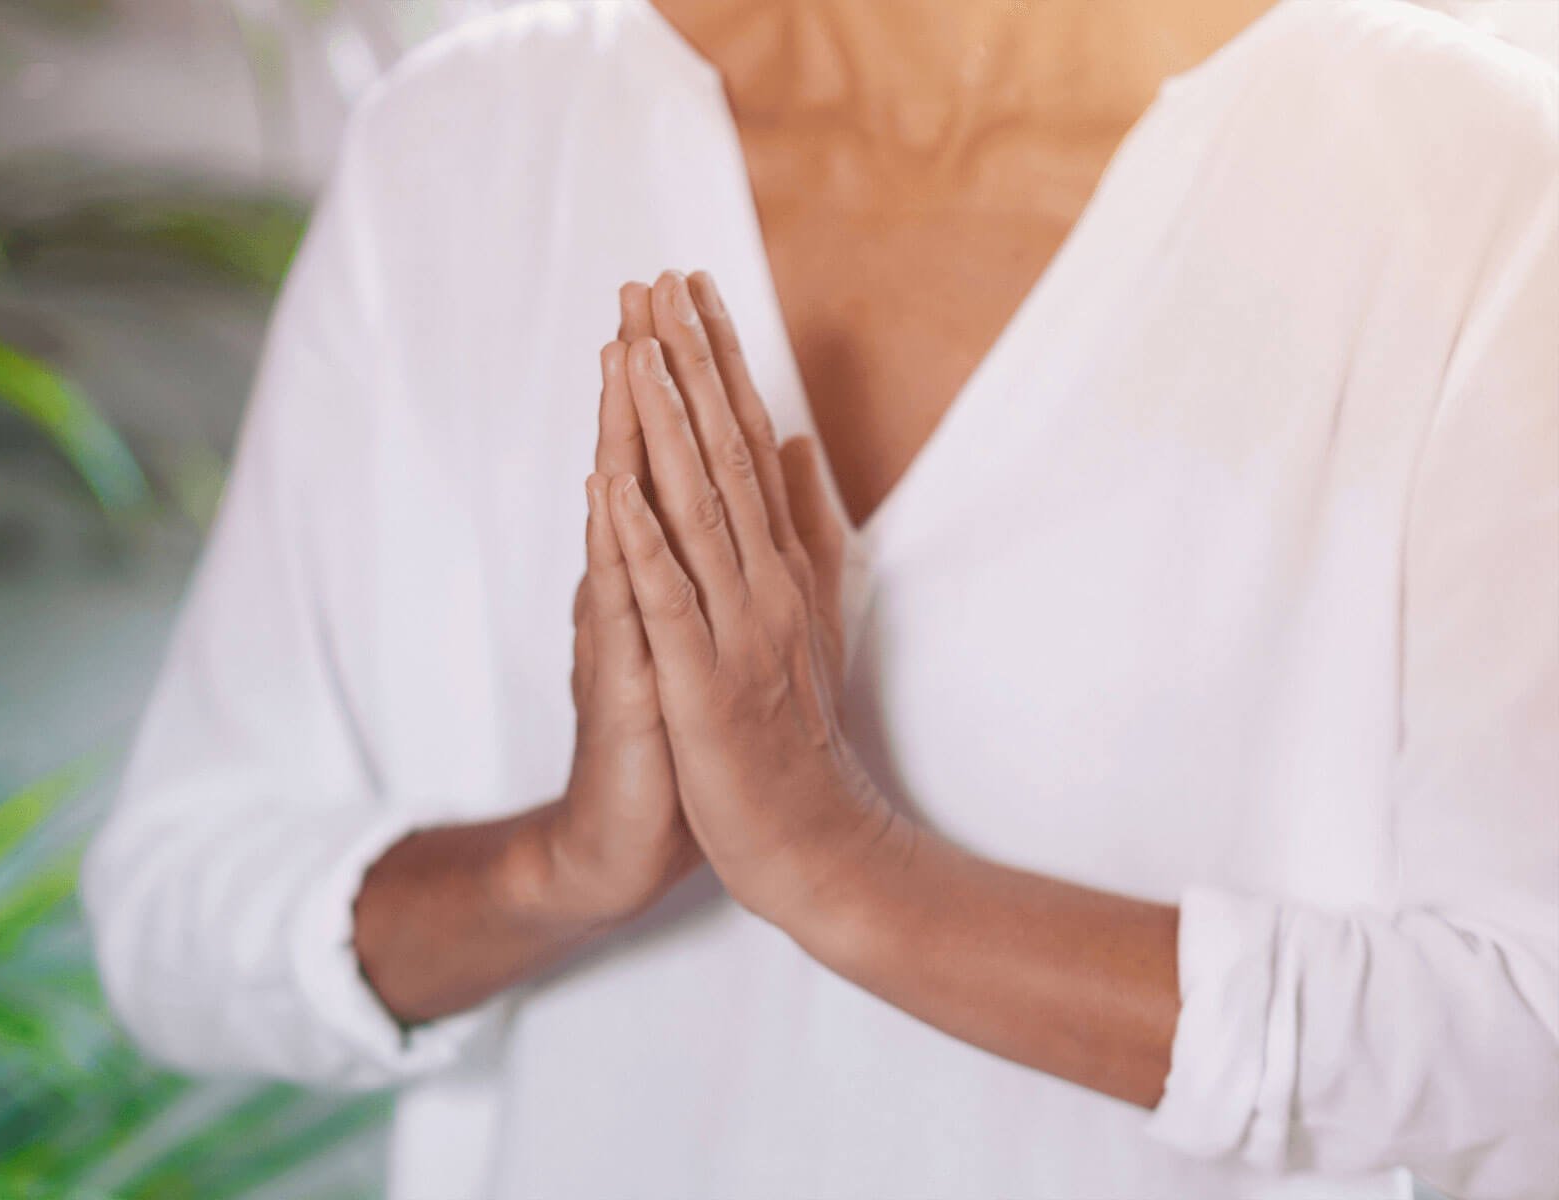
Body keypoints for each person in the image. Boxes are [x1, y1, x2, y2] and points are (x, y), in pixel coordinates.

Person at [81, 0, 1559, 1196]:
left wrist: (840, 866)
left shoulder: (1471, 184)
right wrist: (565, 864)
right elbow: (173, 920)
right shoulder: (463, 145)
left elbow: (1522, 1018)